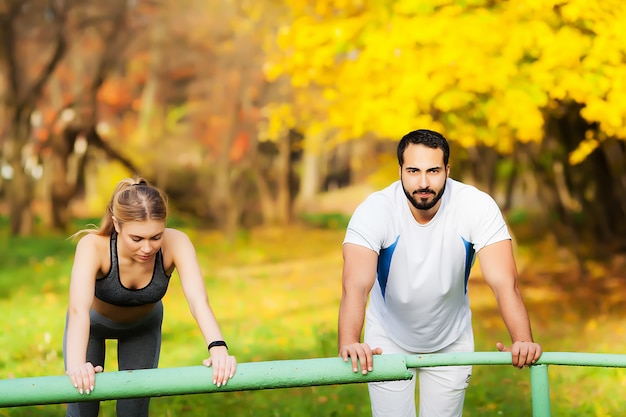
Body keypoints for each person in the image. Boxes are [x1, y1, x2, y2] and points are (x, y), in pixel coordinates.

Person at [338, 129, 542, 417]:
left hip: (452, 340)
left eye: (433, 171)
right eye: (413, 171)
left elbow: (505, 284)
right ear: (400, 171)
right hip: (386, 338)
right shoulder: (375, 210)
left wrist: (522, 339)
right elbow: (354, 286)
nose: (423, 182)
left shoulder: (476, 206)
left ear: (447, 169)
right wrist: (349, 341)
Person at [63, 176, 236, 417]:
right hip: (91, 326)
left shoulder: (177, 243)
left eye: (156, 237)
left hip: (142, 328)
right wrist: (76, 365)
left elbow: (198, 300)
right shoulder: (93, 247)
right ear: (118, 224)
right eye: (137, 239)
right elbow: (78, 310)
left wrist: (218, 347)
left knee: (133, 410)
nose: (147, 248)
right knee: (83, 406)